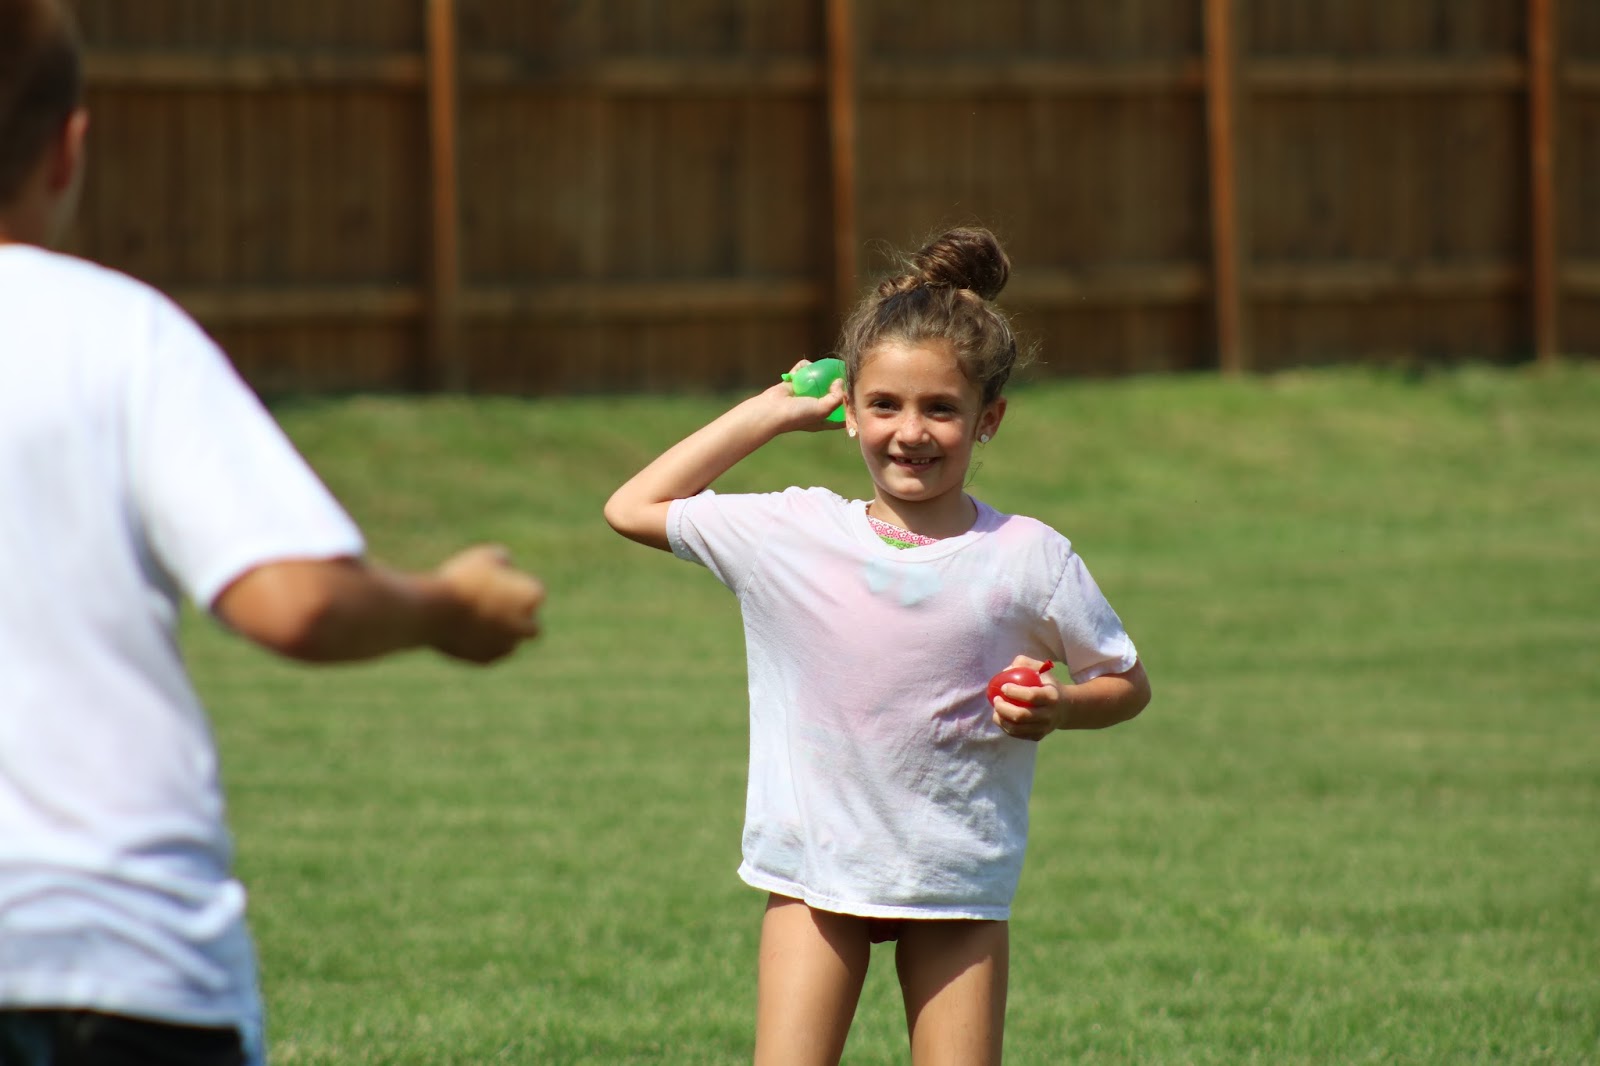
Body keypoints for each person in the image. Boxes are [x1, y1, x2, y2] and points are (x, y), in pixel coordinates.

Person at [0, 1, 547, 1063]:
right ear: (68, 147)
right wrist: (448, 606)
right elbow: (294, 600)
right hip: (115, 960)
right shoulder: (118, 333)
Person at [606, 225, 1152, 1065]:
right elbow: (631, 507)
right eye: (885, 405)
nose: (911, 432)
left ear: (989, 419)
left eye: (942, 409)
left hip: (955, 877)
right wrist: (771, 411)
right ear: (849, 410)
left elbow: (1125, 682)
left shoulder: (1028, 557)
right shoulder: (790, 533)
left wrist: (1060, 709)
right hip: (815, 875)